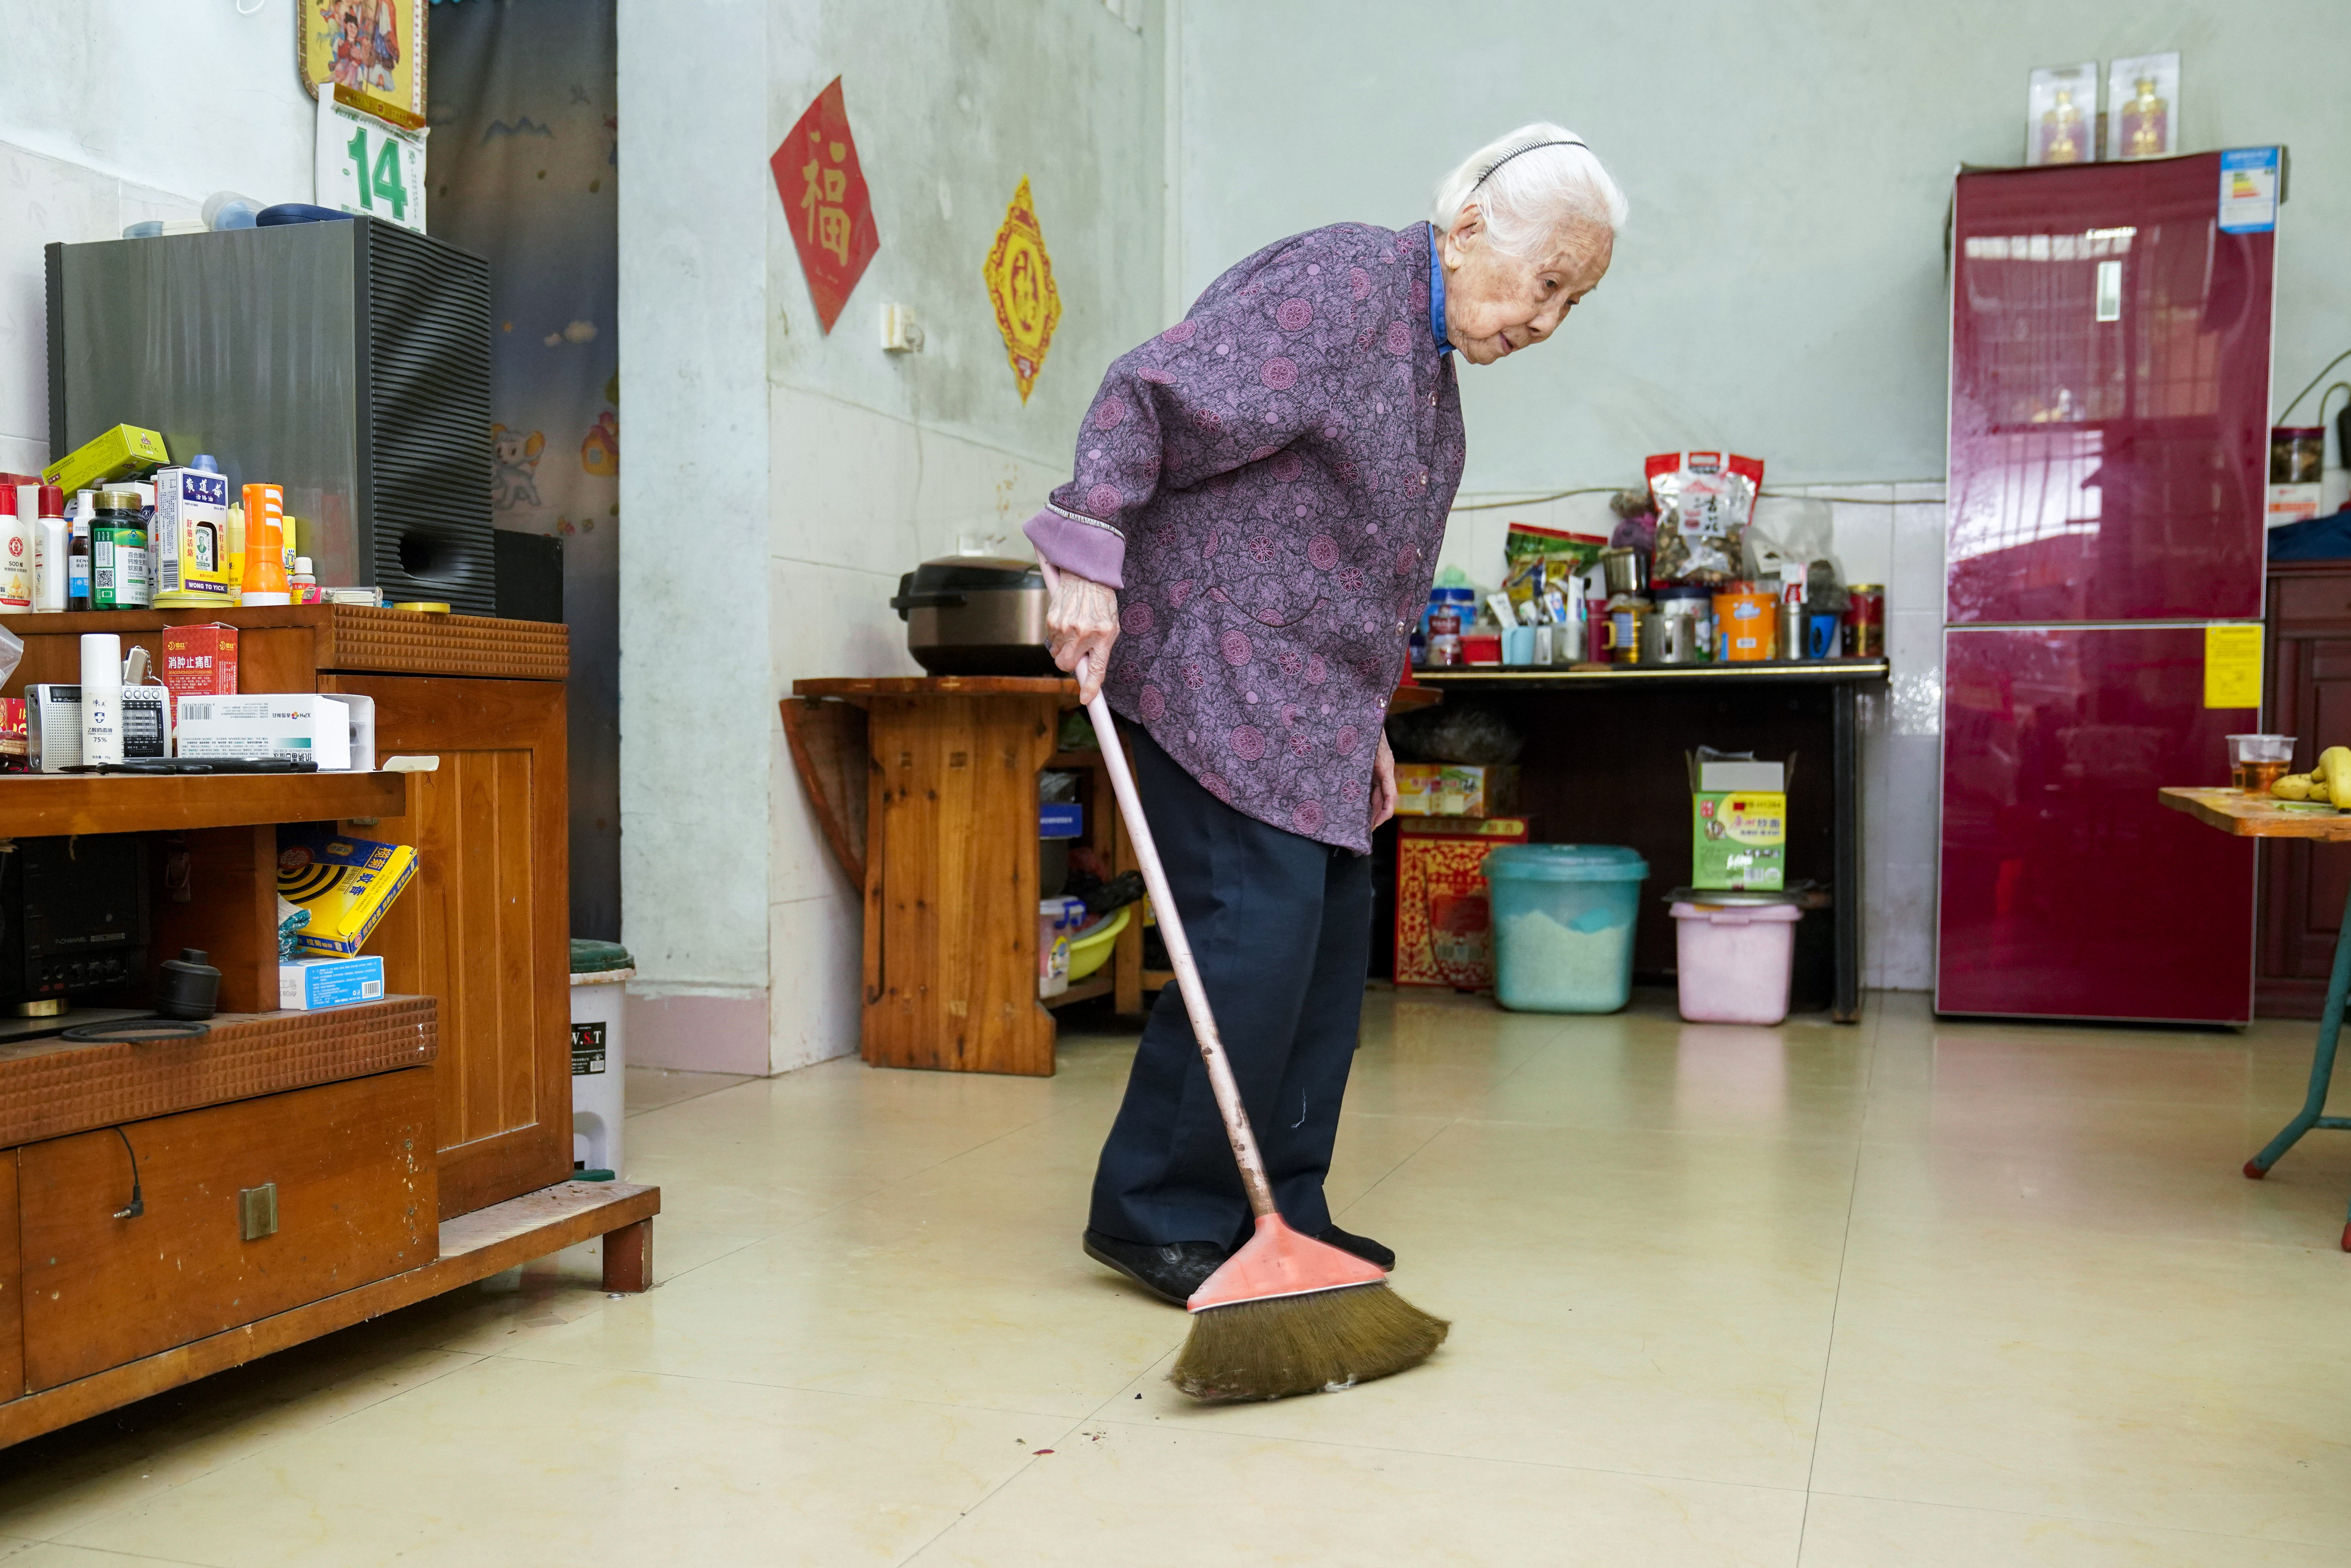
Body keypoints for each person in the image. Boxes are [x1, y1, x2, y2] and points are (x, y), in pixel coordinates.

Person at [1024, 124, 1626, 1305]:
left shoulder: (1424, 365)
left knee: (1322, 949)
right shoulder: (1345, 285)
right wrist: (1086, 549)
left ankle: (1283, 1204)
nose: (1546, 322)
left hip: (1312, 698)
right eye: (1547, 283)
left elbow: (1370, 572)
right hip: (1216, 656)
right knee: (1254, 934)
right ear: (1467, 229)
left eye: (1574, 303)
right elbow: (1150, 389)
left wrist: (1370, 733)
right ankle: (1157, 1212)